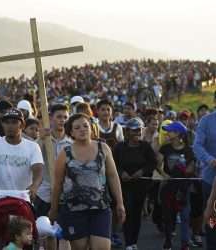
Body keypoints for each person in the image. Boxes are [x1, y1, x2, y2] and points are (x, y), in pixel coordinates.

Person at [49, 113, 125, 250]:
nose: (82, 129)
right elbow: (58, 184)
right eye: (77, 128)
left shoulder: (104, 148)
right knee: (80, 247)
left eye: (85, 126)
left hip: (100, 208)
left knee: (102, 247)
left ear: (91, 128)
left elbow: (113, 176)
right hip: (74, 210)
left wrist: (120, 202)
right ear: (71, 132)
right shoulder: (65, 153)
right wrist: (54, 209)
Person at [0, 108, 43, 249]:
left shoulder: (32, 147)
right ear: (2, 124)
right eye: (7, 122)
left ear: (22, 125)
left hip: (22, 198)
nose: (10, 126)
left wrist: (34, 186)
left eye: (14, 122)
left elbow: (38, 171)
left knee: (24, 239)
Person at [113, 117, 157, 250]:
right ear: (127, 132)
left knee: (137, 214)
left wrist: (142, 171)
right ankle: (128, 242)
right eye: (134, 130)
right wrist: (121, 173)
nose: (137, 133)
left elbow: (152, 163)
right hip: (124, 186)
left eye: (139, 130)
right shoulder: (119, 147)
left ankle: (134, 242)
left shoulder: (145, 147)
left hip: (140, 186)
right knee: (128, 212)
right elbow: (113, 164)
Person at [34, 104, 72, 250]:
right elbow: (32, 157)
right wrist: (41, 140)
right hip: (44, 193)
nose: (62, 120)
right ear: (51, 118)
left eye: (65, 117)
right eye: (59, 117)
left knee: (64, 234)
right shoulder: (43, 139)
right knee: (47, 232)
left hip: (65, 193)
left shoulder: (71, 142)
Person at [158, 121, 195, 250]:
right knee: (168, 217)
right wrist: (164, 174)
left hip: (184, 188)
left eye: (170, 131)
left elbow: (191, 167)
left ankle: (185, 244)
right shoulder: (165, 148)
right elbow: (157, 164)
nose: (167, 133)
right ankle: (168, 242)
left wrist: (183, 169)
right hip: (168, 188)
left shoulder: (188, 150)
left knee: (185, 217)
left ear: (178, 133)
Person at [96, 99, 124, 247]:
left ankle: (114, 233)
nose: (106, 112)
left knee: (115, 203)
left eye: (108, 109)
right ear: (97, 111)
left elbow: (122, 147)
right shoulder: (94, 126)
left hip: (114, 169)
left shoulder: (117, 127)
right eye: (103, 109)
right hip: (98, 171)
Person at [193, 111, 216, 249]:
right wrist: (209, 160)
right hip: (210, 178)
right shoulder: (206, 121)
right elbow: (197, 145)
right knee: (213, 217)